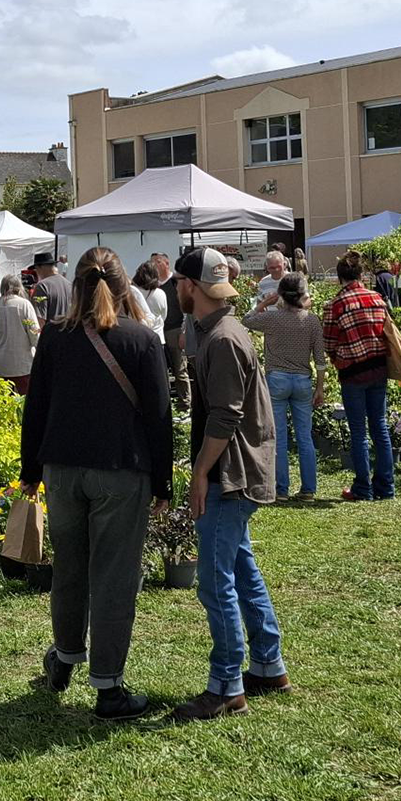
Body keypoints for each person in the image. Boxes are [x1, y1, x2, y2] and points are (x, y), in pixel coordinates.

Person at [21, 248, 173, 720]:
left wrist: (30, 471)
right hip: (120, 471)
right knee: (113, 578)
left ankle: (65, 660)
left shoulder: (54, 338)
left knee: (69, 568)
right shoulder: (142, 340)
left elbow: (36, 408)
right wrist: (164, 483)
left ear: (76, 286)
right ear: (124, 285)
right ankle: (108, 687)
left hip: (62, 470)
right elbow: (160, 418)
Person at [171, 245, 287, 720]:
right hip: (242, 469)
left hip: (229, 475)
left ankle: (226, 684)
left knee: (215, 582)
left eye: (179, 282)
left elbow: (225, 415)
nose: (175, 288)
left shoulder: (221, 339)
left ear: (191, 287)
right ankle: (268, 663)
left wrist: (200, 473)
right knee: (241, 569)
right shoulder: (223, 329)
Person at [243, 273, 326, 500]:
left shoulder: (273, 318)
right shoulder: (311, 320)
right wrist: (320, 387)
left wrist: (263, 303)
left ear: (281, 294)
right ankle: (308, 488)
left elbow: (246, 320)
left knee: (278, 436)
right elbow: (320, 359)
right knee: (305, 437)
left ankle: (281, 489)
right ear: (302, 294)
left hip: (277, 378)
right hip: (302, 379)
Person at [322, 252, 395, 502]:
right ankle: (386, 487)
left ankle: (363, 488)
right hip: (378, 368)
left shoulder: (336, 304)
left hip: (352, 372)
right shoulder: (376, 298)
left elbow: (329, 342)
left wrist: (336, 357)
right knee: (380, 427)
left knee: (358, 431)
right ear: (361, 275)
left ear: (340, 276)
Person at [150, 252, 190, 410]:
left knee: (180, 369)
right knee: (162, 368)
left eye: (158, 262)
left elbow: (186, 308)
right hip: (158, 332)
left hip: (175, 329)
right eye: (152, 262)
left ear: (167, 263)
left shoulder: (176, 281)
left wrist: (183, 331)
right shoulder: (153, 284)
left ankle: (185, 404)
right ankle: (166, 403)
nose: (154, 265)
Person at [0, 274, 41, 392]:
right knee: (24, 399)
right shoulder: (24, 304)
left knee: (3, 399)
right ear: (19, 287)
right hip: (21, 360)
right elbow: (34, 332)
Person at [30, 252, 72, 328]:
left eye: (36, 269)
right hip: (69, 334)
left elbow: (40, 319)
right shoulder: (69, 284)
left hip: (51, 335)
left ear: (40, 268)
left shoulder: (42, 286)